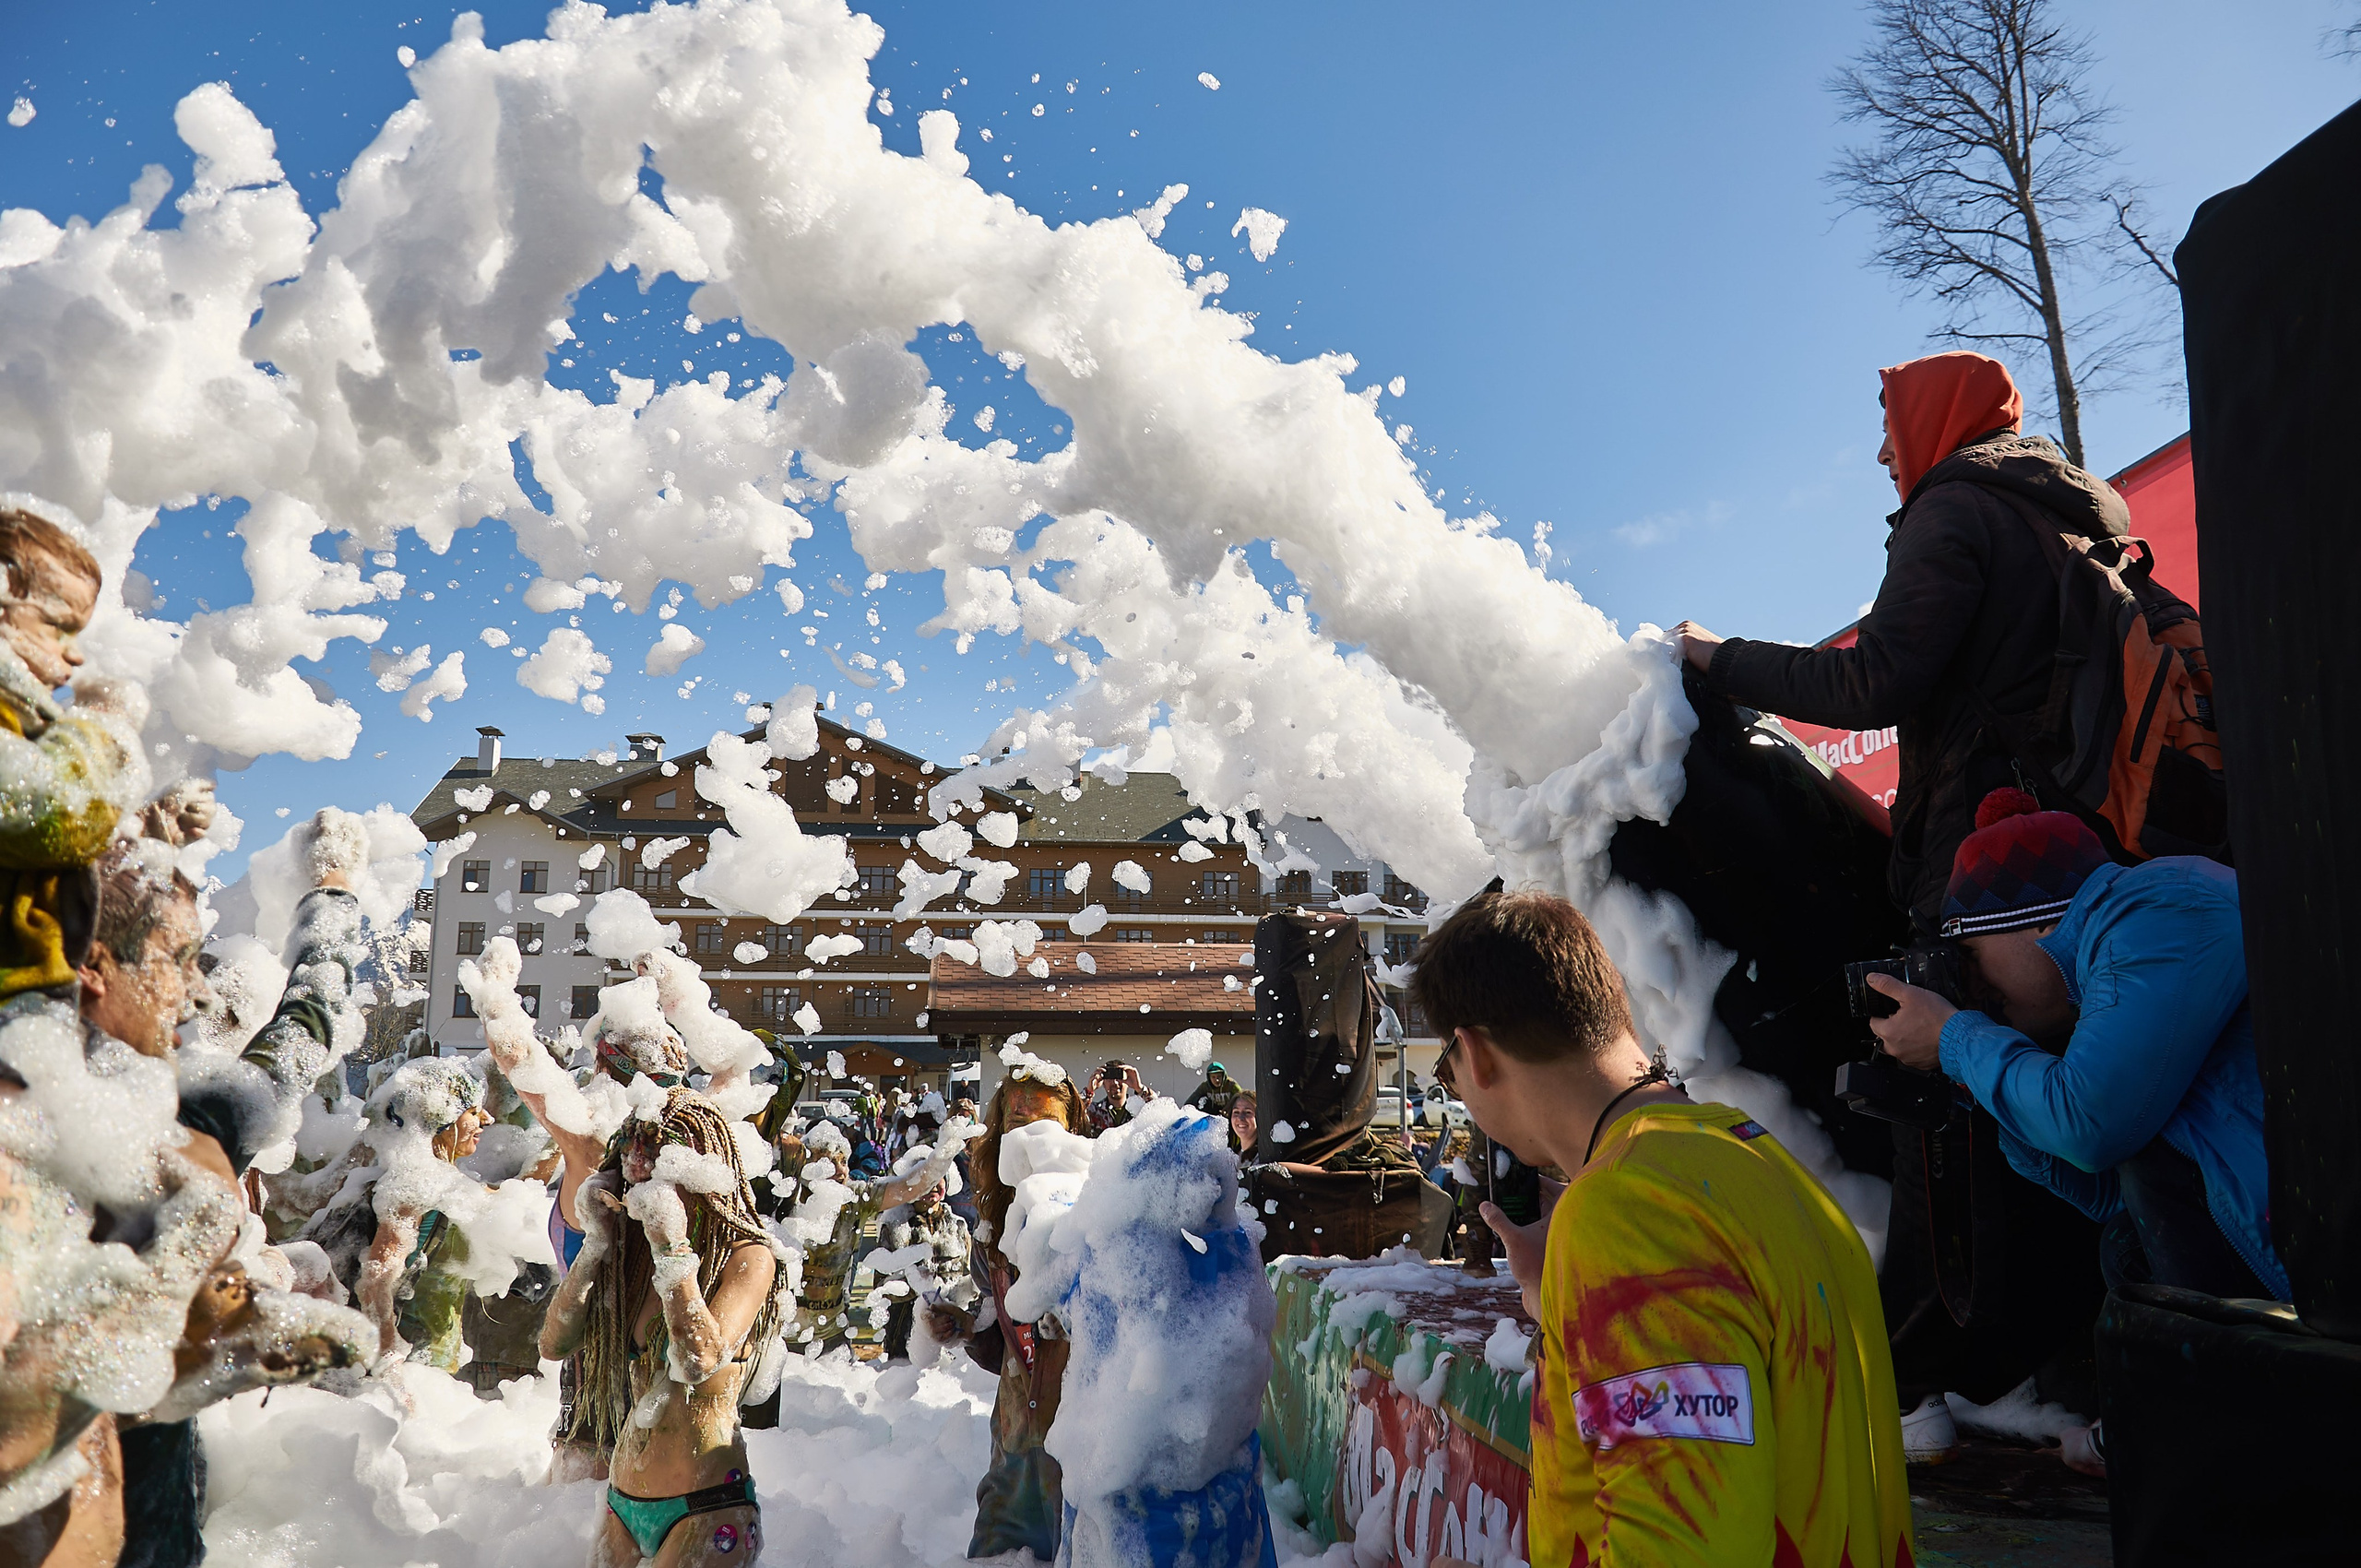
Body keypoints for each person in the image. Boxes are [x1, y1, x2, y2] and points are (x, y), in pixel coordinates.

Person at [1672, 351, 2118, 1462]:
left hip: (1981, 878)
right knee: (2056, 1118)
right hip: (2066, 861)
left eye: (1887, 423)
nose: (1881, 450)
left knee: (1941, 1109)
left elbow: (1872, 679)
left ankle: (1916, 1374)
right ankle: (2051, 1365)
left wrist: (1718, 659)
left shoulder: (1956, 507)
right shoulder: (2060, 515)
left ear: (1934, 417)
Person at [1414, 889, 1914, 1567]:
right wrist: (1561, 1307)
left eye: (1447, 1075)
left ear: (1474, 1054)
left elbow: (1684, 1546)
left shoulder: (1627, 1212)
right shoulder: (1751, 1156)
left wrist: (1599, 1269)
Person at [1866, 790, 2288, 1474]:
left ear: (2032, 928)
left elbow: (2089, 1124)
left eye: (1973, 959)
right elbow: (2109, 1192)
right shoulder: (2122, 948)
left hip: (2314, 1253)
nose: (1976, 986)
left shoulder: (2155, 912)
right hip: (2282, 1237)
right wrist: (1972, 1083)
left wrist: (1957, 1036)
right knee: (2127, 1236)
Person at [540, 1086, 785, 1568]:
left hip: (708, 1506)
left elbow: (698, 1361)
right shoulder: (632, 1263)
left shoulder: (749, 1258)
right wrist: (594, 1246)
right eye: (631, 1145)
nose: (638, 1162)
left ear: (697, 1164)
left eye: (655, 1147)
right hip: (624, 1503)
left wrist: (672, 1247)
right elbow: (554, 1344)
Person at [925, 1067, 1092, 1562]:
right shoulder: (993, 1224)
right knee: (999, 1550)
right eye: (1018, 1125)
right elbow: (1005, 1330)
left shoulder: (1093, 1213)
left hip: (1080, 1431)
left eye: (1047, 1126)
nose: (1032, 1141)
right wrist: (969, 1326)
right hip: (1017, 1439)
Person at [877, 1180, 975, 1361]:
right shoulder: (896, 1227)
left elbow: (969, 1278)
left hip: (953, 1335)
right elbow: (881, 1287)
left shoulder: (958, 1226)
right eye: (928, 1179)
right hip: (906, 1336)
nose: (934, 1186)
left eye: (940, 1179)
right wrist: (914, 1285)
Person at [1082, 1059, 1144, 1134]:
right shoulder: (1095, 1112)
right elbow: (1072, 1114)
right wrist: (1088, 1092)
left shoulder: (1139, 1110)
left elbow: (1158, 1113)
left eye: (1119, 1077)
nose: (1115, 1082)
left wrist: (1140, 1089)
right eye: (1110, 1078)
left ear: (1128, 1080)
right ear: (1103, 1083)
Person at [1227, 1089, 1257, 1154]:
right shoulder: (1233, 1157)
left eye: (1248, 1112)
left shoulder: (1267, 1157)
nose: (1240, 1118)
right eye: (1236, 1112)